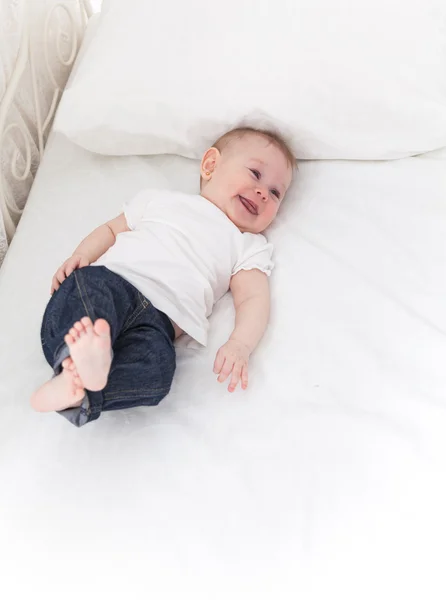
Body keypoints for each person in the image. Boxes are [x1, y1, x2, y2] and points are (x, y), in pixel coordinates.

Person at [31, 126, 295, 426]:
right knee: (85, 290)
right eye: (255, 174)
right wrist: (81, 255)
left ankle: (78, 389)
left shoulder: (247, 244)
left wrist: (240, 344)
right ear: (211, 165)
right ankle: (78, 359)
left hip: (158, 325)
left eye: (276, 193)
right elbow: (110, 229)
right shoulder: (161, 201)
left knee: (158, 370)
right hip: (114, 282)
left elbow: (253, 298)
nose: (263, 192)